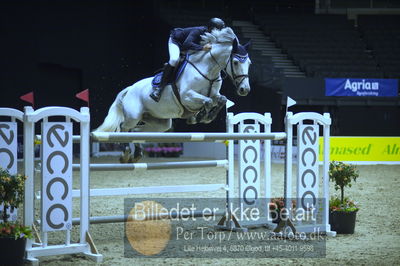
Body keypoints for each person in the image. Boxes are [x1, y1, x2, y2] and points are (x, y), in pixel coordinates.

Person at [150, 18, 226, 102]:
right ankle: (159, 89)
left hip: (191, 47)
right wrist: (202, 48)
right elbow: (187, 44)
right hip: (177, 41)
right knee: (174, 60)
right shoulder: (198, 31)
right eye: (219, 30)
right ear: (212, 29)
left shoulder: (215, 36)